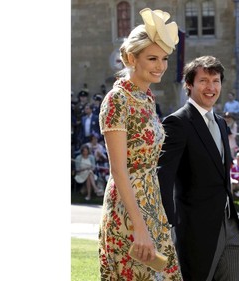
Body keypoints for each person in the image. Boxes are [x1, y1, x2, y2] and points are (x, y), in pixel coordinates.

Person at [97, 8, 182, 280]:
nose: (161, 66)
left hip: (152, 202)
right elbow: (118, 170)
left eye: (165, 58)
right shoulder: (116, 100)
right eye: (152, 58)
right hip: (127, 208)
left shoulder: (147, 99)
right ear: (132, 58)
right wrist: (139, 226)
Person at [158, 55, 239, 280]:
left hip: (229, 224)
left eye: (216, 80)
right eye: (204, 81)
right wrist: (166, 227)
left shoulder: (220, 122)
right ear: (189, 85)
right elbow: (164, 177)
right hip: (195, 229)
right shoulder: (177, 123)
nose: (211, 87)